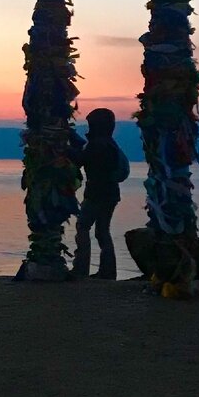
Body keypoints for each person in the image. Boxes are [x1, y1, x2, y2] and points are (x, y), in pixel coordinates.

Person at [71, 108, 130, 279]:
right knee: (102, 230)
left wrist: (63, 148)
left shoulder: (98, 144)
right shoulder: (109, 143)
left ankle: (81, 268)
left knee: (83, 226)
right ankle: (108, 270)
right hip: (111, 193)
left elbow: (80, 159)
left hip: (97, 193)